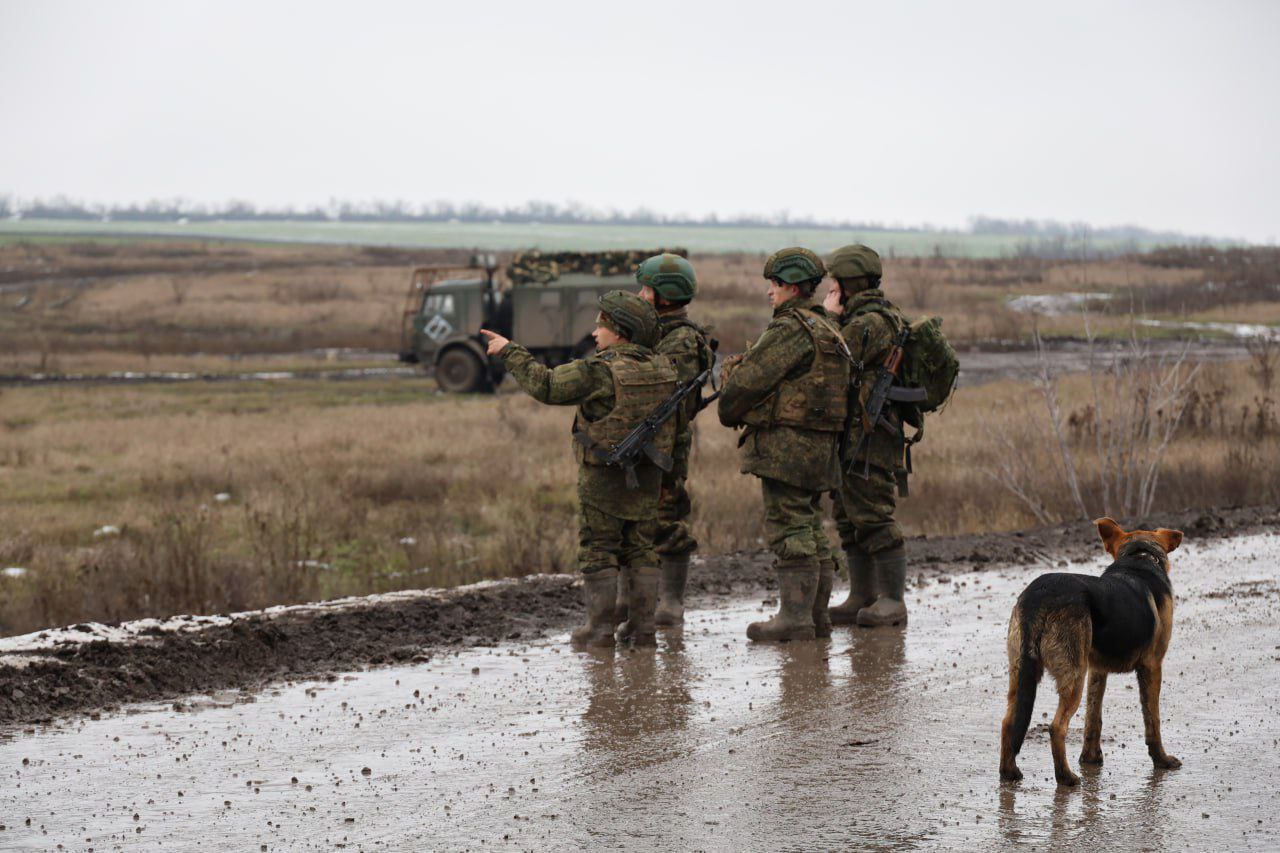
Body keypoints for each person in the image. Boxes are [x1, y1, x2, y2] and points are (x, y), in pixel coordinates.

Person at [481, 291, 677, 647]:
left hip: (604, 476)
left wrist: (510, 351)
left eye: (601, 325)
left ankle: (599, 631)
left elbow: (548, 385)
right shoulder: (663, 367)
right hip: (649, 474)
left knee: (599, 547)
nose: (594, 333)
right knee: (642, 547)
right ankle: (643, 629)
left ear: (620, 331)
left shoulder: (599, 371)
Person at [717, 248, 849, 642]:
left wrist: (729, 406)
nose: (768, 292)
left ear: (792, 287)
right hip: (821, 447)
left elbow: (746, 383)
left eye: (773, 284)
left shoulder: (790, 329)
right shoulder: (827, 327)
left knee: (789, 527)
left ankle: (794, 619)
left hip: (786, 449)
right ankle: (816, 618)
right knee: (810, 526)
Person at [821, 244, 910, 627]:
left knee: (873, 516)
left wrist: (826, 318)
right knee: (847, 514)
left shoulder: (867, 324)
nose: (831, 289)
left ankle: (892, 600)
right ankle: (862, 594)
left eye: (836, 283)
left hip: (871, 439)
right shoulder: (869, 318)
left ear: (847, 284)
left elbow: (827, 355)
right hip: (855, 436)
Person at [635, 253, 715, 626]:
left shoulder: (680, 341)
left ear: (662, 295)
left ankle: (670, 603)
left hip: (665, 444)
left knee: (666, 517)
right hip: (645, 441)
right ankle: (643, 602)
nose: (640, 294)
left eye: (646, 289)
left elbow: (666, 398)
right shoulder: (657, 333)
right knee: (639, 521)